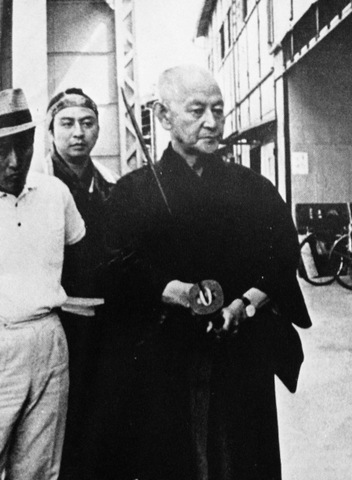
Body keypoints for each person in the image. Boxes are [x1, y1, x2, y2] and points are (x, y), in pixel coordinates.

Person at [99, 64, 311, 480]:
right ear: (163, 117)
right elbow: (112, 269)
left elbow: (282, 257)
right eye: (196, 111)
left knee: (245, 457)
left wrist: (245, 304)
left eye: (218, 110)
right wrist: (170, 290)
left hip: (241, 352)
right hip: (164, 356)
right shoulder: (133, 192)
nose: (211, 122)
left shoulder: (253, 188)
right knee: (172, 459)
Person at [0, 88, 85, 478]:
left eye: (22, 146)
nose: (13, 162)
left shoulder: (55, 193)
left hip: (49, 341)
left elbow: (84, 256)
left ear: (36, 140)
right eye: (1, 149)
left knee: (39, 468)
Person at [43, 87, 118, 479]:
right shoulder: (37, 189)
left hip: (105, 325)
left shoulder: (111, 186)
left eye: (87, 123)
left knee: (102, 421)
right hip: (58, 324)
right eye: (67, 123)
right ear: (50, 130)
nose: (78, 133)